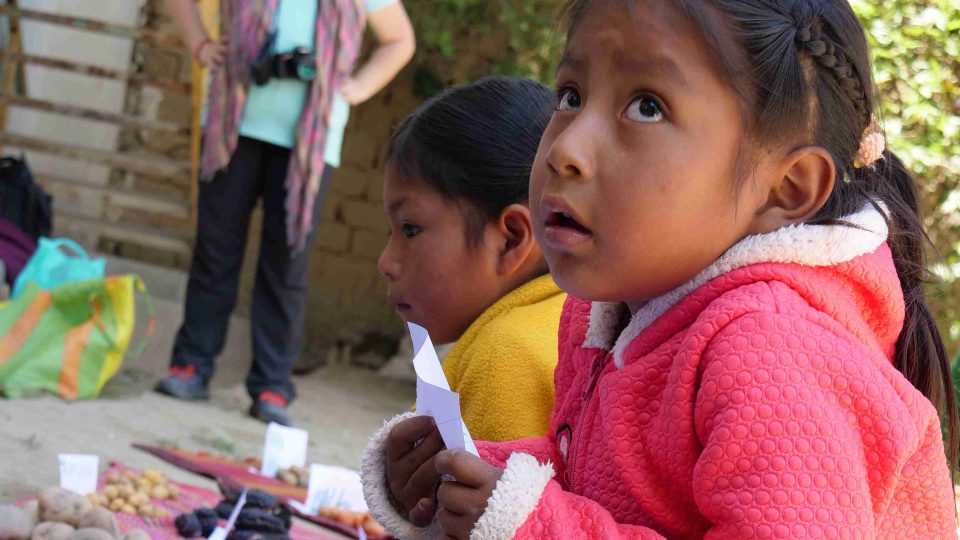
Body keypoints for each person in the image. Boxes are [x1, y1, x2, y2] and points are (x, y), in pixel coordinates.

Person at [360, 0, 959, 537]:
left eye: (646, 107)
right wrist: (467, 472)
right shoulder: (607, 318)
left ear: (786, 188)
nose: (566, 148)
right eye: (570, 94)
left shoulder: (774, 349)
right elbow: (599, 479)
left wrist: (533, 523)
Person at [156, 0, 415, 426]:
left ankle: (272, 387)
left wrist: (355, 89)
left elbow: (399, 40)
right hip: (230, 126)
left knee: (286, 264)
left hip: (311, 145)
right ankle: (190, 367)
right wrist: (200, 45)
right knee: (215, 249)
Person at [377, 77, 564, 442]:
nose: (386, 262)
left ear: (510, 240)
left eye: (410, 229)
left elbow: (489, 501)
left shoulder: (506, 358)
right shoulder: (567, 325)